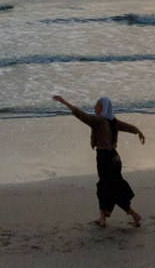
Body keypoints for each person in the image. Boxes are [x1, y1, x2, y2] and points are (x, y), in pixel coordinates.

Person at [52, 94, 145, 227]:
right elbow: (128, 127)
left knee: (111, 190)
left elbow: (81, 114)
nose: (94, 108)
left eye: (97, 105)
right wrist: (139, 132)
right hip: (114, 159)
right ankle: (103, 217)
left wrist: (64, 102)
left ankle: (134, 214)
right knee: (104, 187)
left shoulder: (99, 121)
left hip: (105, 159)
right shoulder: (113, 121)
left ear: (103, 108)